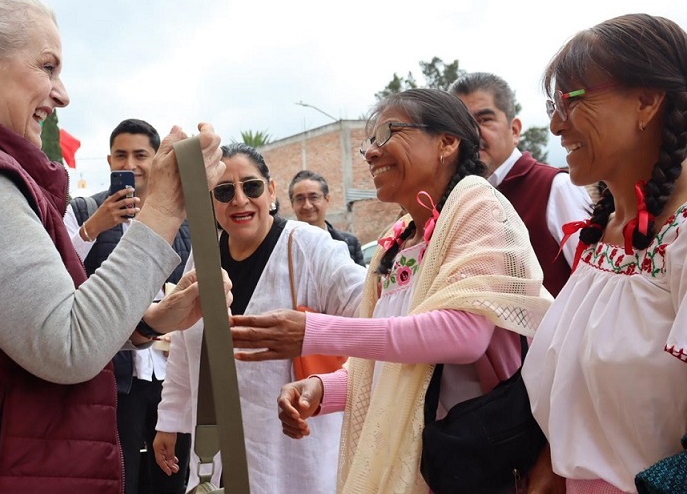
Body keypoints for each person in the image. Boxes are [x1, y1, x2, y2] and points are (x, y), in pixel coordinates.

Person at [0, 0, 227, 492]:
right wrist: (162, 210)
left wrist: (149, 321)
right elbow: (65, 345)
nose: (63, 94)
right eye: (48, 67)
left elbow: (7, 333)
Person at [229, 89, 553, 493]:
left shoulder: (478, 206)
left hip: (472, 463)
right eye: (369, 141)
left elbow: (464, 336)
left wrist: (313, 332)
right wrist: (321, 389)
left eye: (388, 133)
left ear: (447, 142)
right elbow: (391, 364)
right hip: (428, 463)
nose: (370, 152)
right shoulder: (397, 240)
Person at [522, 13, 687, 493]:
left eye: (570, 101)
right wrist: (553, 462)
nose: (555, 124)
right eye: (553, 105)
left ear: (647, 100)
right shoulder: (607, 232)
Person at [154, 143, 366, 493]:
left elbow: (373, 321)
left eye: (250, 186)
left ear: (270, 191)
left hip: (293, 449)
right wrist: (170, 420)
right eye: (224, 191)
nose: (239, 200)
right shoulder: (204, 257)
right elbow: (185, 344)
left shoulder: (312, 248)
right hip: (216, 449)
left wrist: (310, 334)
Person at [64, 118, 192, 494]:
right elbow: (59, 271)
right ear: (108, 160)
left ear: (158, 160)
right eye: (121, 155)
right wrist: (93, 227)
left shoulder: (182, 218)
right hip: (114, 372)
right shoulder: (84, 209)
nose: (130, 164)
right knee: (120, 474)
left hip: (170, 372)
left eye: (141, 155)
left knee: (169, 473)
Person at [449, 72, 593, 296]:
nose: (473, 133)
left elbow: (592, 283)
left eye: (484, 120)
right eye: (462, 125)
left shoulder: (554, 187)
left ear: (514, 130)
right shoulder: (457, 201)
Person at [288, 169, 365, 265]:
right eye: (300, 199)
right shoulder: (284, 246)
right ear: (292, 204)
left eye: (314, 197)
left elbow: (362, 280)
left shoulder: (350, 243)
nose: (307, 205)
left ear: (327, 200)